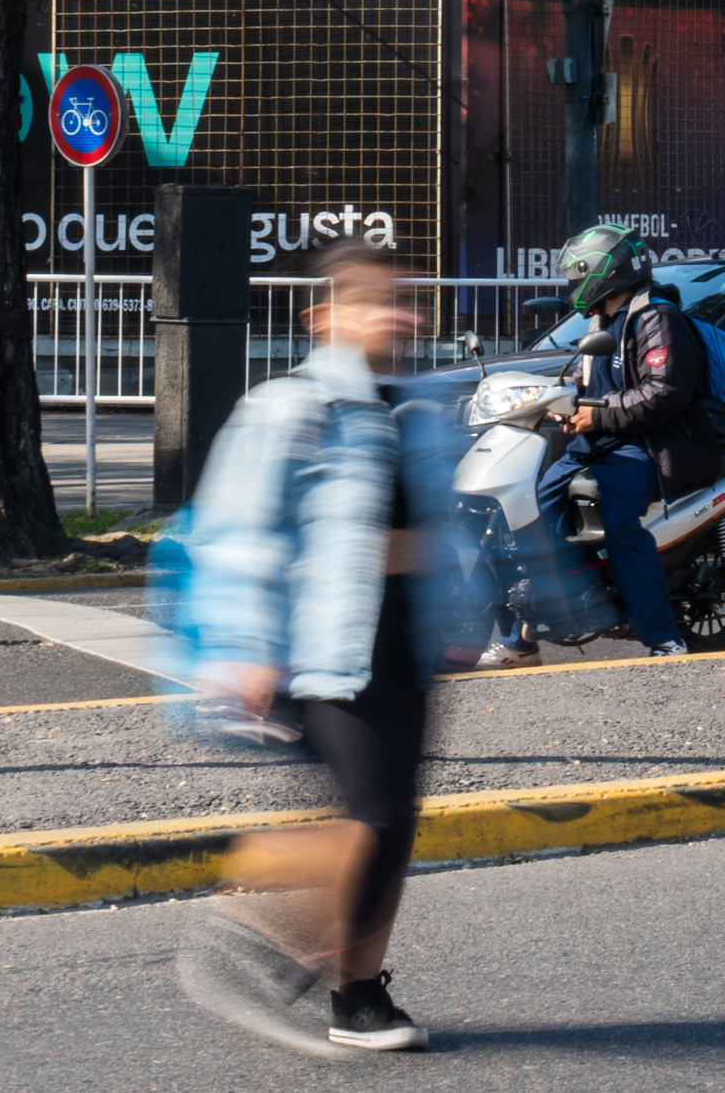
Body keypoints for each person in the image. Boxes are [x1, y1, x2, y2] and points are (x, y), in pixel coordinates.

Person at [176, 237, 483, 1056]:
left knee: (391, 824)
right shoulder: (292, 405)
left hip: (404, 641)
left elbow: (438, 528)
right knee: (372, 821)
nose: (402, 314)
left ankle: (358, 997)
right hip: (327, 642)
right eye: (380, 299)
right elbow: (238, 533)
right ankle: (247, 923)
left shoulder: (418, 403)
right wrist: (243, 647)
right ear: (324, 315)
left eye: (407, 298)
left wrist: (466, 618)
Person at [475, 223, 696, 670]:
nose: (574, 286)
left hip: (640, 447)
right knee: (528, 518)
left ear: (605, 272)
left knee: (619, 525)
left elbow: (666, 391)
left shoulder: (656, 318)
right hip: (593, 446)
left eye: (579, 276)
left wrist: (599, 414)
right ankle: (526, 635)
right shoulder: (602, 320)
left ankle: (664, 637)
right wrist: (556, 405)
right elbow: (582, 382)